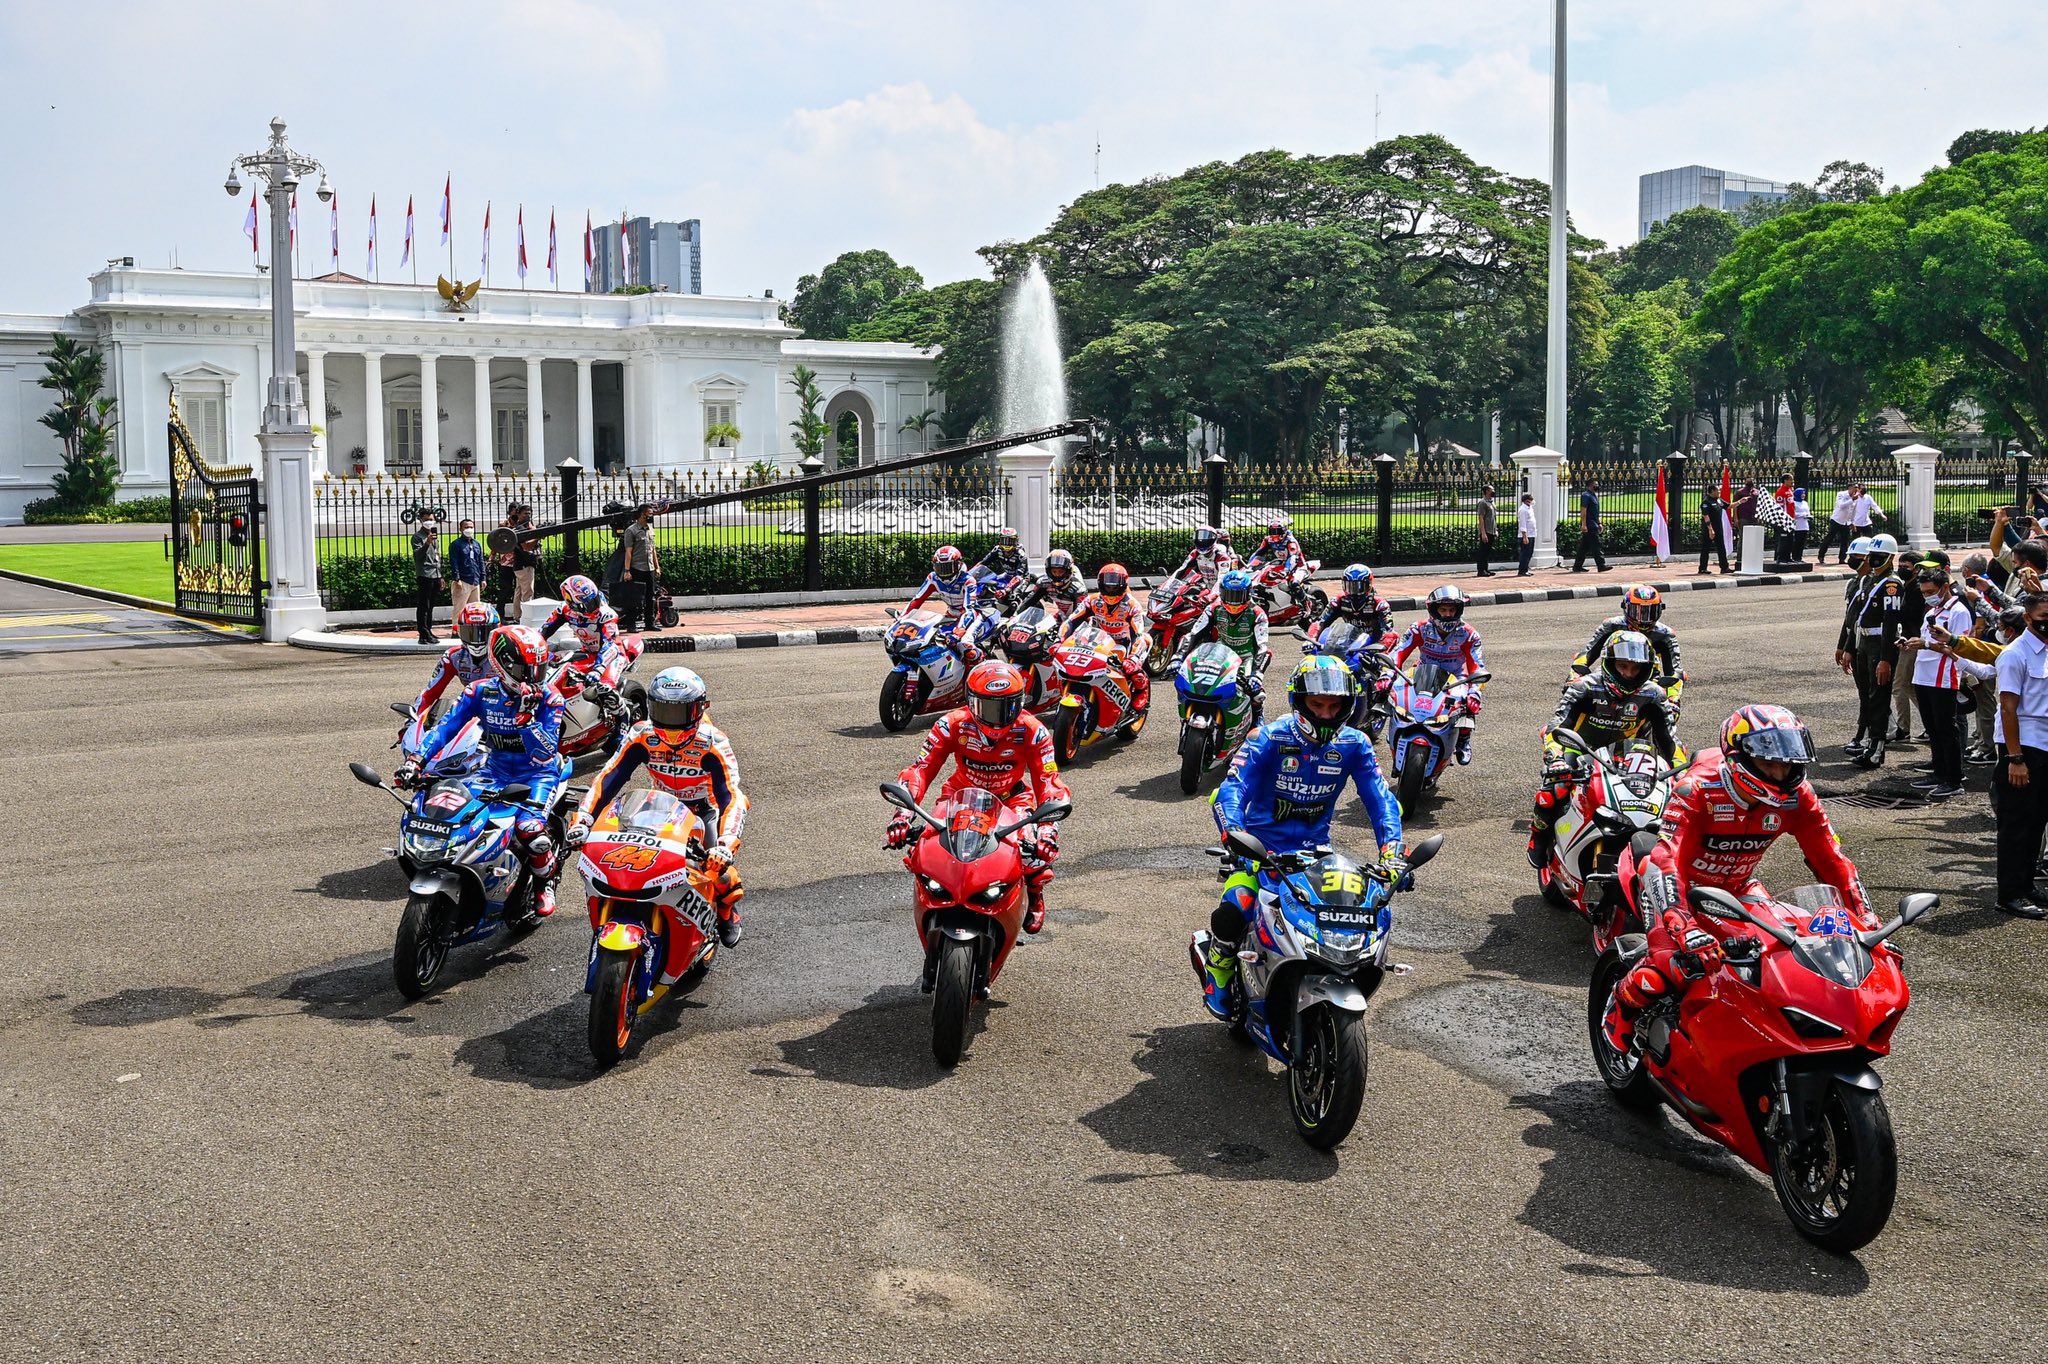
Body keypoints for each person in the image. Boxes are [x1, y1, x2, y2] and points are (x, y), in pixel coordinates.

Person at [1604, 705, 1870, 1050]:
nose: (1780, 773)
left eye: (1788, 764)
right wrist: (1684, 926)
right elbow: (1665, 859)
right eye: (1769, 763)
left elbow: (1833, 861)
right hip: (1673, 886)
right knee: (1672, 967)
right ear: (1739, 757)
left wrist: (1866, 922)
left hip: (1737, 888)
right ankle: (1621, 1004)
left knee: (1784, 955)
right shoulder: (1697, 788)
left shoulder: (1798, 796)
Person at [1195, 656, 1404, 1017]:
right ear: (1299, 701)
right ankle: (1219, 974)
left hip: (1316, 855)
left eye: (1334, 706)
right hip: (1258, 850)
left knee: (1350, 917)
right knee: (1235, 909)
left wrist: (1393, 854)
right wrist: (1234, 836)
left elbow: (1382, 801)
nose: (1325, 714)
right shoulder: (1268, 737)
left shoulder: (1356, 743)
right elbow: (1230, 791)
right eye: (1317, 704)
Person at [568, 667, 749, 947]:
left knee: (721, 873)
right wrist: (583, 819)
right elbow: (609, 778)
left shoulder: (713, 742)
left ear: (699, 709)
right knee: (629, 858)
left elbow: (732, 796)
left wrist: (725, 844)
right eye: (663, 711)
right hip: (660, 807)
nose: (671, 723)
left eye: (679, 713)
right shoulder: (642, 734)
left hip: (704, 810)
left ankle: (727, 913)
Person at [886, 660, 1071, 933]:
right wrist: (903, 814)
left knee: (1035, 854)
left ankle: (1034, 894)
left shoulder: (1034, 730)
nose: (998, 717)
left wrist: (1047, 830)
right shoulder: (950, 724)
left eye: (1008, 707)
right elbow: (920, 770)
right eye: (989, 708)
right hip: (958, 797)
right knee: (922, 848)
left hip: (1012, 799)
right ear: (971, 702)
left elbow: (1049, 781)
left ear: (1020, 702)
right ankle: (932, 900)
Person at [400, 624, 570, 919]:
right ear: (502, 665)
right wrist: (416, 760)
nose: (533, 678)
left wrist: (527, 722)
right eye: (526, 670)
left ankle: (545, 883)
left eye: (539, 670)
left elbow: (544, 753)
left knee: (529, 830)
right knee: (452, 810)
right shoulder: (479, 691)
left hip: (538, 775)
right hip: (493, 770)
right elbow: (445, 728)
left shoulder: (550, 699)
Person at [1527, 631, 1678, 869]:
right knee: (1555, 788)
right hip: (1580, 749)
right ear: (1609, 663)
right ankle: (1539, 835)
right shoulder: (1584, 687)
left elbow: (1670, 741)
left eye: (1635, 668)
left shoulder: (1653, 695)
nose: (1628, 674)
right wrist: (1556, 758)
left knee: (1666, 801)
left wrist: (1683, 772)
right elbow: (1557, 727)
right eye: (1623, 666)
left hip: (1628, 755)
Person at [1993, 592, 2048, 918]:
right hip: (2023, 749)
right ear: (2028, 618)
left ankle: (2026, 886)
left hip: (2044, 747)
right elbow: (2008, 709)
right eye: (2044, 617)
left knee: (2036, 821)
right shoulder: (2015, 655)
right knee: (2016, 825)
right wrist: (2015, 759)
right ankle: (2009, 895)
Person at [1897, 560, 1972, 798]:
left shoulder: (1958, 612)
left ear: (1944, 587)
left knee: (1946, 728)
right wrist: (1911, 644)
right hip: (1924, 675)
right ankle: (1939, 772)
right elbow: (1926, 642)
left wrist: (1926, 644)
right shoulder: (1931, 612)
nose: (1927, 596)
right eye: (1924, 593)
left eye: (1930, 592)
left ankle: (1954, 779)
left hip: (1944, 676)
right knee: (1932, 728)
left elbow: (1960, 647)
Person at [1391, 585, 1487, 763]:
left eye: (1452, 610)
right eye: (1443, 610)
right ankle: (1394, 728)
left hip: (1455, 677)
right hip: (1422, 671)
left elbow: (1477, 667)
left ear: (1459, 610)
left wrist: (1475, 692)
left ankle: (1464, 738)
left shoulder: (1470, 634)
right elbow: (1398, 652)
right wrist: (1387, 674)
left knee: (1467, 702)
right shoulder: (1418, 628)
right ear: (1434, 610)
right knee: (1393, 692)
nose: (1448, 614)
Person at [1059, 561, 1152, 721]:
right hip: (1097, 639)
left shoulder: (1132, 606)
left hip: (1123, 643)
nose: (1110, 589)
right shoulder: (1092, 600)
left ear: (1123, 585)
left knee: (1131, 668)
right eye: (1107, 585)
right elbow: (1071, 621)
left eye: (1114, 586)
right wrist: (1059, 641)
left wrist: (1133, 658)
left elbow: (1138, 634)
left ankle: (1141, 691)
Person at [1172, 569, 1270, 717]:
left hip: (1245, 658)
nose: (1233, 601)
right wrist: (1178, 656)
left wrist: (1257, 674)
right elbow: (1194, 634)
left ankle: (1258, 718)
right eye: (1229, 595)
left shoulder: (1257, 614)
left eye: (1238, 595)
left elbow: (1262, 647)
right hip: (1219, 654)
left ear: (1248, 594)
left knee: (1255, 693)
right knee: (1198, 685)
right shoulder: (1213, 608)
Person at [1847, 534, 1905, 768]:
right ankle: (1869, 743)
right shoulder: (1870, 581)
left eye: (1879, 556)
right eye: (1872, 555)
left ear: (1891, 557)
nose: (1874, 559)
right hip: (1864, 641)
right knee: (1867, 696)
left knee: (1878, 698)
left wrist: (1885, 659)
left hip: (1880, 643)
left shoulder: (1892, 585)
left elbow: (1890, 623)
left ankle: (1876, 749)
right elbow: (1856, 617)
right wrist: (1850, 646)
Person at [539, 574, 631, 717]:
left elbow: (609, 645)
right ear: (573, 604)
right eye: (588, 604)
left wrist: (598, 669)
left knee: (605, 687)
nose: (594, 606)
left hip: (613, 654)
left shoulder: (606, 615)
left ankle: (623, 719)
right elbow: (543, 632)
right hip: (587, 652)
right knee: (560, 675)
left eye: (595, 600)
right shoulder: (564, 610)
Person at [905, 545, 996, 660]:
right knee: (929, 641)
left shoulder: (968, 580)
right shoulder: (933, 578)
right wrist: (902, 618)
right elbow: (917, 600)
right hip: (950, 616)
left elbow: (969, 609)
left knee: (965, 646)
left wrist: (959, 631)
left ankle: (983, 662)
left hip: (972, 617)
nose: (944, 572)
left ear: (958, 564)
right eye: (940, 568)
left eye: (948, 567)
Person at [1578, 585, 1683, 682]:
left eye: (1650, 612)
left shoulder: (1665, 634)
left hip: (1647, 680)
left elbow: (1675, 672)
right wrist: (1575, 676)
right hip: (1610, 675)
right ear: (1625, 607)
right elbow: (1585, 656)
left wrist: (1672, 692)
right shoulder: (1611, 625)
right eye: (1637, 611)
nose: (1643, 618)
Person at [412, 602, 499, 716]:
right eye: (470, 633)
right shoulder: (453, 657)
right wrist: (415, 719)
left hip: (504, 713)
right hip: (471, 709)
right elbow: (430, 694)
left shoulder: (506, 655)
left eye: (484, 633)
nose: (477, 640)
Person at [1835, 536, 1877, 752]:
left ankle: (1867, 734)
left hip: (1870, 643)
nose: (1852, 560)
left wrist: (1849, 648)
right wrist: (1842, 644)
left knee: (1872, 693)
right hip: (1856, 640)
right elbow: (1849, 618)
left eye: (1856, 556)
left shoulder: (1875, 584)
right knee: (1865, 692)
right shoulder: (1854, 583)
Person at [1305, 564, 1395, 649]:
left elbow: (1389, 632)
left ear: (1369, 585)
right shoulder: (1339, 601)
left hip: (1373, 646)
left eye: (1359, 586)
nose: (1354, 591)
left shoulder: (1379, 604)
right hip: (1349, 644)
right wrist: (1311, 639)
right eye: (1349, 586)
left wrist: (1381, 648)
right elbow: (1320, 622)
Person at [615, 504, 656, 634]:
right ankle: (631, 625)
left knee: (650, 597)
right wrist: (627, 571)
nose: (651, 516)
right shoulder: (631, 530)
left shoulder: (650, 529)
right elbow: (628, 552)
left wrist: (657, 566)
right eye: (649, 514)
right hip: (636, 568)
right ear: (642, 514)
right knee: (634, 598)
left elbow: (653, 549)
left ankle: (650, 623)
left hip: (649, 568)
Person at [495, 503, 539, 620]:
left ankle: (518, 616)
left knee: (519, 591)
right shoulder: (516, 528)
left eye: (529, 513)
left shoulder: (525, 526)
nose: (528, 515)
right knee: (526, 592)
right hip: (519, 564)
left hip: (517, 564)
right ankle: (526, 617)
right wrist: (538, 536)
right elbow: (526, 546)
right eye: (525, 513)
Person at [1023, 548, 1084, 620]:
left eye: (1061, 571)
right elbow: (1027, 602)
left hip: (1076, 619)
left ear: (1068, 571)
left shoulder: (1078, 589)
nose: (1057, 575)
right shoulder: (1044, 582)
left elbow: (1081, 615)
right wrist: (1015, 617)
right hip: (1061, 615)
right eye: (1054, 571)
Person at [411, 517, 444, 645]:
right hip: (425, 574)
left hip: (435, 574)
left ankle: (428, 631)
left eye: (431, 519)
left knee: (431, 606)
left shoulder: (434, 537)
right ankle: (423, 633)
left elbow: (437, 556)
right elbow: (417, 555)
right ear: (421, 520)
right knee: (424, 605)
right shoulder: (417, 537)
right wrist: (427, 543)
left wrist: (440, 575)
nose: (429, 521)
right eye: (426, 519)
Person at [1172, 527, 1231, 594]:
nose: (1202, 541)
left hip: (1223, 592)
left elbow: (1222, 579)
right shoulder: (1195, 553)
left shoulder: (1221, 556)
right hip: (1207, 588)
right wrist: (1169, 586)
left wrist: (1212, 595)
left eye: (1205, 537)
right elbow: (1182, 569)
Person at [449, 519, 487, 613]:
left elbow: (480, 561)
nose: (469, 529)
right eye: (466, 527)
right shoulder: (456, 544)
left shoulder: (476, 544)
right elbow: (454, 562)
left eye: (471, 527)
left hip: (475, 581)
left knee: (474, 610)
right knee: (459, 610)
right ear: (460, 529)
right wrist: (457, 579)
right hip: (463, 581)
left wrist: (483, 578)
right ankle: (456, 624)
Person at [1572, 477, 1608, 572]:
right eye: (1595, 484)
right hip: (1589, 525)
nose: (1597, 485)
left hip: (1593, 523)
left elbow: (1595, 512)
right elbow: (1583, 511)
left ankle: (1577, 566)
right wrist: (1584, 525)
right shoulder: (1586, 496)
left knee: (1584, 547)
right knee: (1596, 545)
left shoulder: (1593, 496)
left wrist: (1599, 523)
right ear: (1590, 485)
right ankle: (1601, 565)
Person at [1697, 487, 1730, 574]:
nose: (1719, 492)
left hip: (1718, 528)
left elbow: (1728, 506)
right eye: (1717, 490)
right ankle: (1702, 568)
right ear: (1712, 491)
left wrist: (1740, 502)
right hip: (1709, 530)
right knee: (1705, 549)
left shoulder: (1718, 500)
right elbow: (1706, 516)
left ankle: (1724, 568)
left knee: (1721, 548)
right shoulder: (1706, 502)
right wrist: (1710, 530)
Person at [1476, 484, 1499, 577]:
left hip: (1491, 530)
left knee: (1487, 551)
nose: (1493, 491)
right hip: (1486, 530)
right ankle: (1481, 570)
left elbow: (1494, 518)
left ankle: (1485, 569)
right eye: (1491, 490)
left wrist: (1495, 529)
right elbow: (1481, 518)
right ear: (1487, 491)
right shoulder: (1483, 503)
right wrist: (1483, 533)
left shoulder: (1491, 502)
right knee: (1483, 551)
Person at [1516, 491, 1537, 576]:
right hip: (1526, 535)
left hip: (1531, 534)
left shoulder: (1529, 508)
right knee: (1525, 553)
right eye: (1528, 501)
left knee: (1529, 553)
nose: (1530, 503)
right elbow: (1523, 524)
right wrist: (1525, 536)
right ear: (1524, 501)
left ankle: (1525, 568)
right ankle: (1522, 570)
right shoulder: (1523, 510)